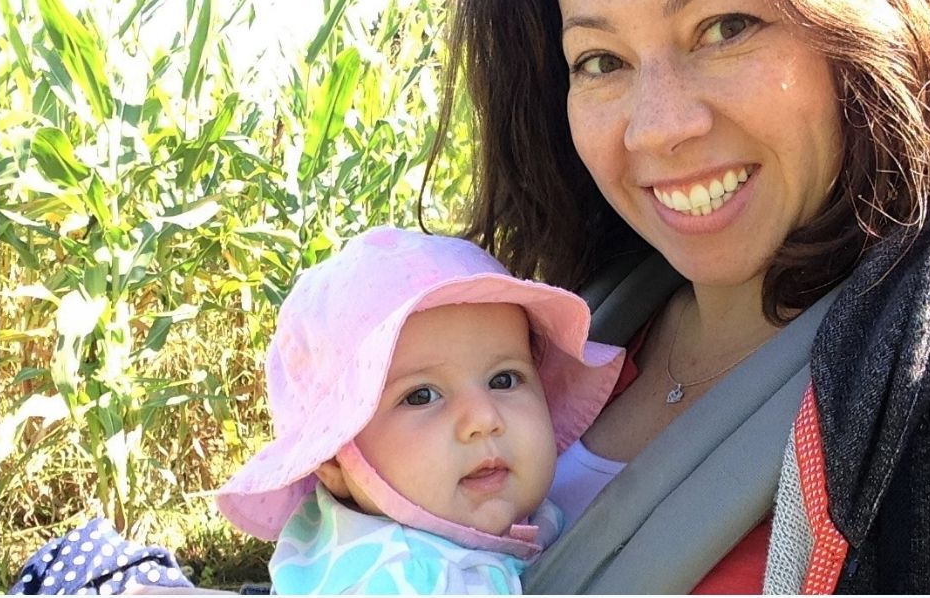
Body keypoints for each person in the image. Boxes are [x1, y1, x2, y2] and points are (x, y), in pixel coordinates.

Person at [424, 0, 930, 593]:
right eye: (602, 61)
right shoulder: (558, 329)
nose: (658, 128)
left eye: (726, 28)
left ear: (882, 14)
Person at [214, 226, 623, 593]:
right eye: (421, 396)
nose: (483, 419)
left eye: (504, 380)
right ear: (335, 461)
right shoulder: (413, 579)